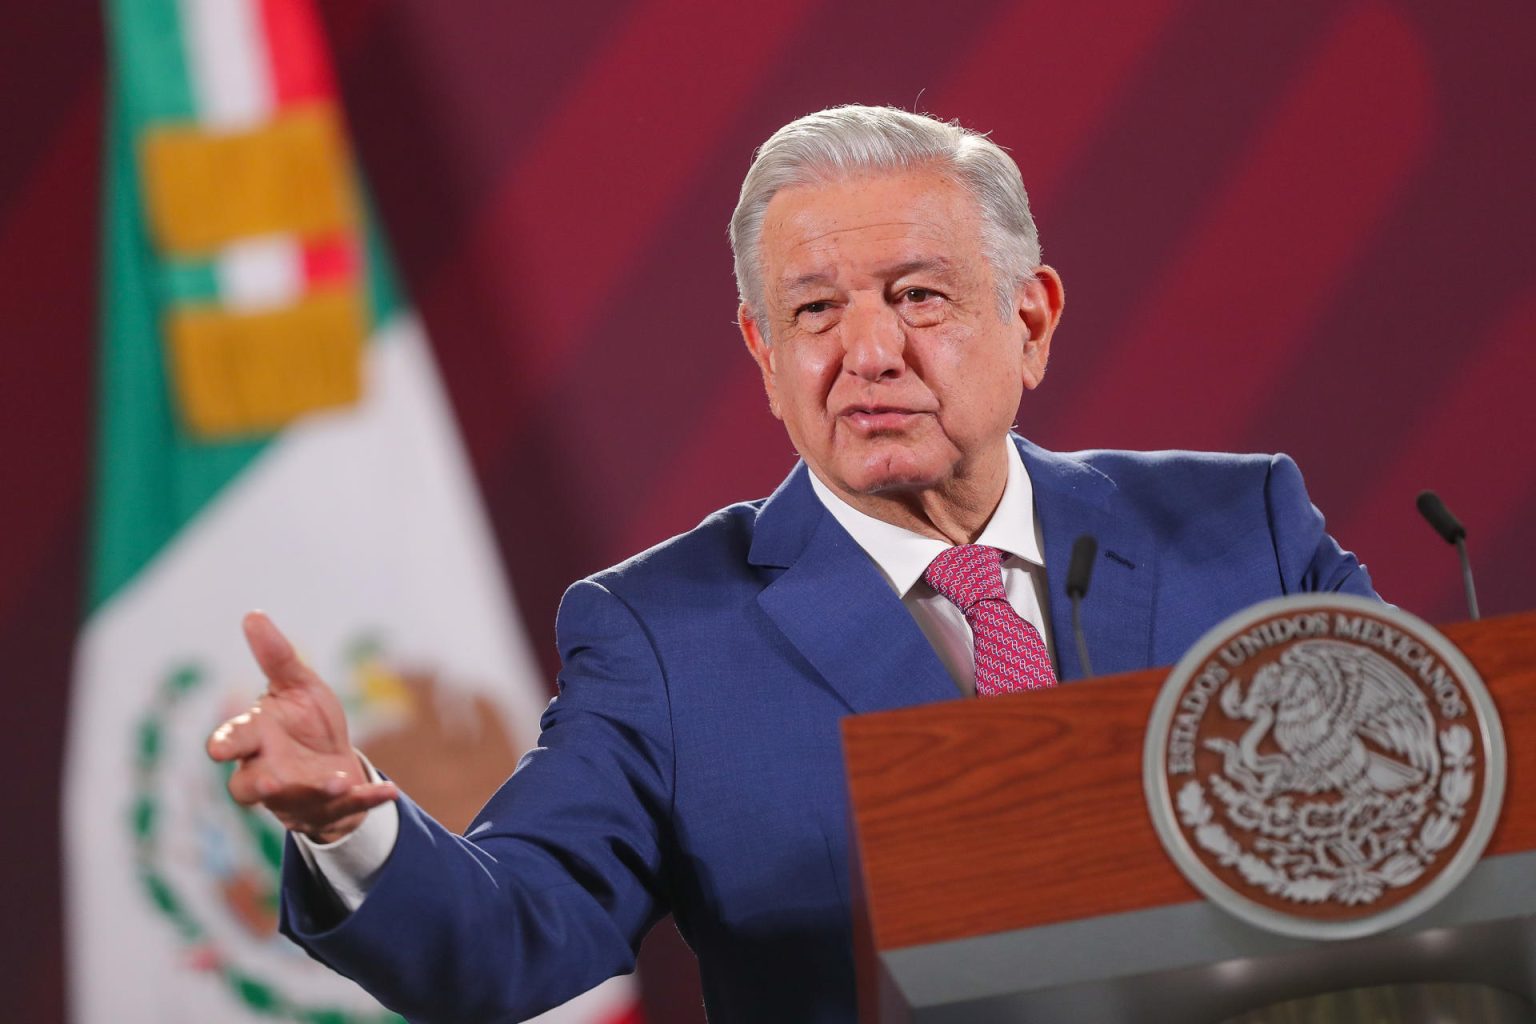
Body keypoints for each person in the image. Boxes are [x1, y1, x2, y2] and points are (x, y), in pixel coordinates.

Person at [207, 105, 1375, 1023]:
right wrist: (347, 824)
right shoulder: (665, 635)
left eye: (919, 295)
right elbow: (505, 941)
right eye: (814, 312)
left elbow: (1437, 814)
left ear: (1031, 319)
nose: (869, 351)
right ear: (764, 355)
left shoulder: (1243, 531)